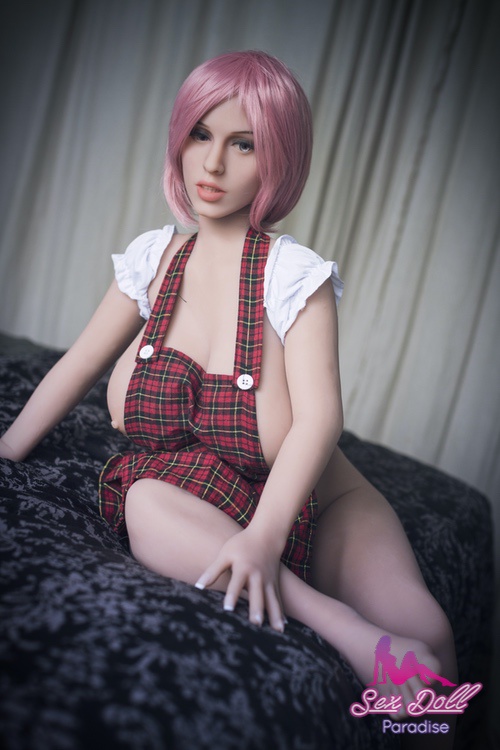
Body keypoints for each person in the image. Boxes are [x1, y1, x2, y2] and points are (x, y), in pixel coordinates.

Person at [0, 50, 456, 731]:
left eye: (244, 144)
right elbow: (78, 365)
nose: (212, 164)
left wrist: (266, 537)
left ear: (278, 159)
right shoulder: (154, 261)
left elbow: (319, 420)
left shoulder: (293, 276)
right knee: (144, 502)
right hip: (200, 496)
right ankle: (340, 628)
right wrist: (8, 450)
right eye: (201, 134)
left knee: (431, 636)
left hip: (321, 502)